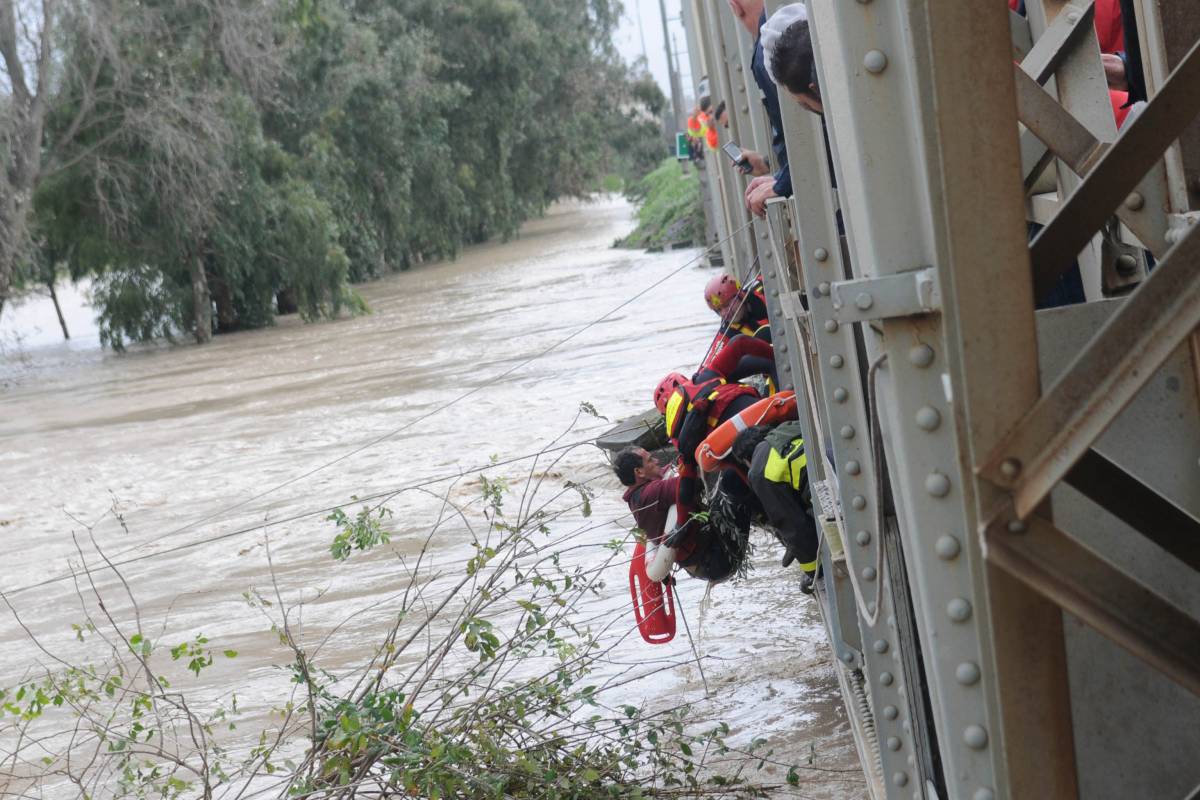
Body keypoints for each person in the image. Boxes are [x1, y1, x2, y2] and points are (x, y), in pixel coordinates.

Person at [654, 335, 776, 553]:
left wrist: (681, 523)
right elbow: (739, 343)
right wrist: (774, 353)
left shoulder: (681, 436)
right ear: (684, 383)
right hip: (773, 421)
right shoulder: (707, 377)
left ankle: (780, 528)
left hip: (757, 465)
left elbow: (686, 487)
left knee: (733, 483)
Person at [614, 447, 752, 582]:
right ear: (639, 472)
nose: (656, 461)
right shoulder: (650, 494)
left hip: (705, 563)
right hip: (718, 558)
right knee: (732, 477)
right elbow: (691, 484)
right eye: (650, 460)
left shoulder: (637, 498)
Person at [731, 422, 821, 593]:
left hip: (828, 495)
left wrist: (813, 572)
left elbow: (792, 525)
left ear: (745, 460)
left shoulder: (758, 470)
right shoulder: (789, 427)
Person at [726, 0, 794, 217]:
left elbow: (811, 136)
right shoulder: (793, 17)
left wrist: (781, 184)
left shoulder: (768, 48)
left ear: (735, 6)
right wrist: (771, 171)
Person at [704, 272, 772, 345]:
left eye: (727, 305)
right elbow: (715, 356)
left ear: (740, 295)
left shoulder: (764, 287)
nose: (724, 313)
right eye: (718, 310)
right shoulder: (727, 333)